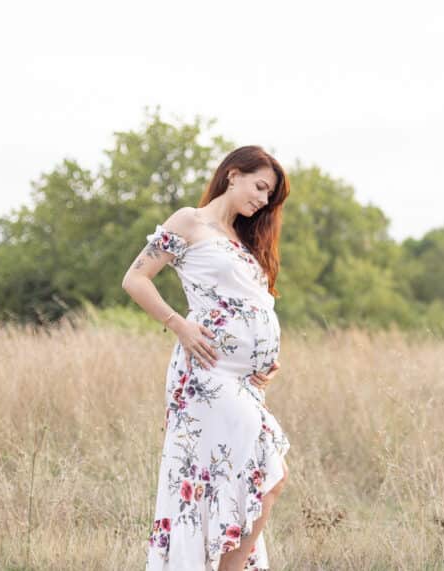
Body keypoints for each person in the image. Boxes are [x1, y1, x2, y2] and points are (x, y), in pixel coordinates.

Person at [122, 145, 291, 571]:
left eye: (269, 196)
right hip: (204, 371)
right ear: (233, 174)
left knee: (239, 480)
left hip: (243, 380)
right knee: (268, 473)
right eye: (260, 187)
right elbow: (135, 278)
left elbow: (251, 304)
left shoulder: (244, 240)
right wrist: (178, 324)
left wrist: (263, 358)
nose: (262, 200)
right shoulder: (189, 222)